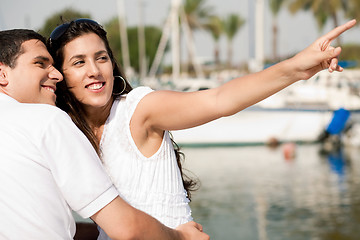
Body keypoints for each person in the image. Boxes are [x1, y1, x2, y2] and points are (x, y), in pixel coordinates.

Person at [48, 18, 356, 239]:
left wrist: (296, 67)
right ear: (61, 75)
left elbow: (218, 100)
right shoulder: (69, 133)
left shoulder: (137, 109)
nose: (94, 70)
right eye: (79, 62)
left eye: (101, 58)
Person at [0, 29, 209, 240]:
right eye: (40, 63)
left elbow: (38, 223)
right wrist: (182, 237)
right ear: (2, 74)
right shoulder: (47, 120)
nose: (57, 75)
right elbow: (126, 229)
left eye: (101, 58)